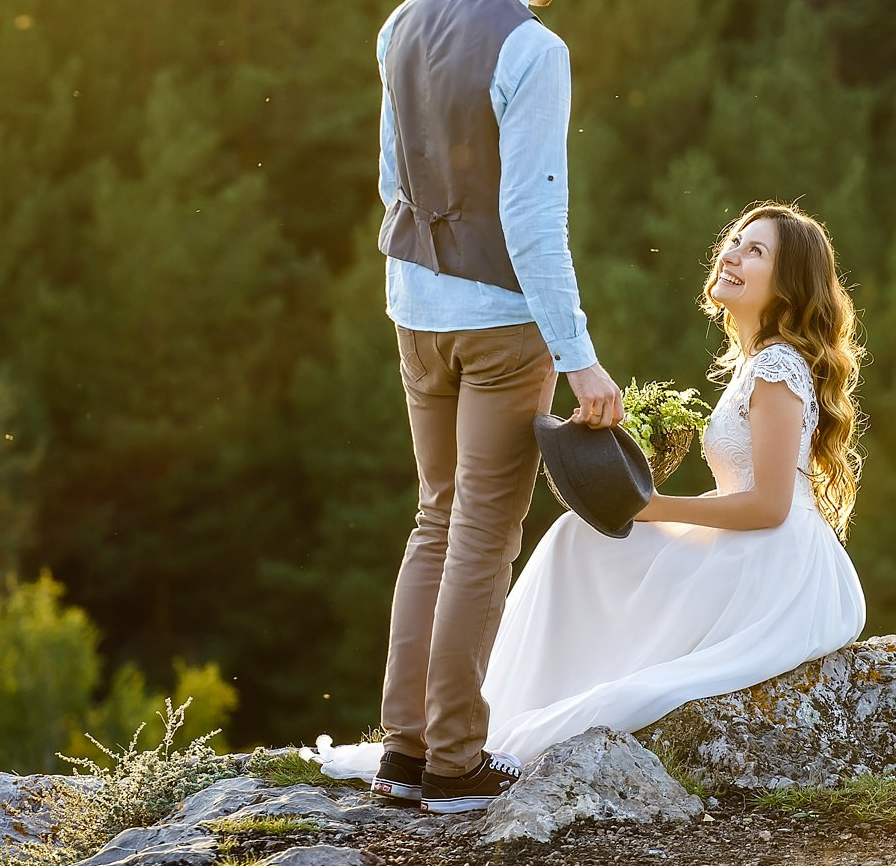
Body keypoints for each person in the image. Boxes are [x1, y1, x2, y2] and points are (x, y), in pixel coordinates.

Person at [321, 201, 867, 810]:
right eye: (735, 240)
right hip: (749, 546)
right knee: (577, 541)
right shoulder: (756, 363)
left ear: (788, 286)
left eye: (755, 251)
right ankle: (480, 723)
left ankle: (484, 726)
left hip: (774, 567)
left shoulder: (775, 366)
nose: (732, 254)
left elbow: (769, 505)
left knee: (583, 546)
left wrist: (651, 507)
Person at [369, 0, 623, 816]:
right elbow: (533, 220)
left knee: (436, 517)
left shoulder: (404, 20)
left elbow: (396, 181)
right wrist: (580, 355)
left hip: (415, 309)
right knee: (482, 529)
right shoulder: (534, 49)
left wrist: (416, 285)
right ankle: (454, 762)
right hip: (501, 324)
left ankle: (402, 748)